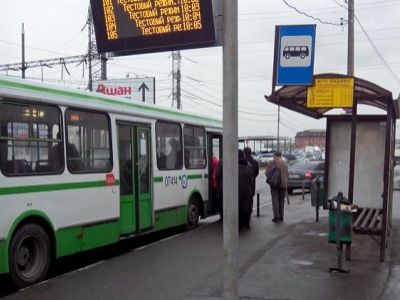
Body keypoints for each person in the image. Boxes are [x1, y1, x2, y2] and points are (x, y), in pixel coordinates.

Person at [266, 150, 288, 222]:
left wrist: (270, 178)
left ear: (275, 155)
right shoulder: (284, 162)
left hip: (275, 183)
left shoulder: (272, 162)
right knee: (281, 200)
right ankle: (281, 215)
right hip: (283, 183)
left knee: (275, 199)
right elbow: (286, 173)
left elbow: (267, 172)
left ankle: (276, 216)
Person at [238, 149, 254, 231]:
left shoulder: (233, 169)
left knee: (239, 208)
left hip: (237, 192)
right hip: (247, 191)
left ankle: (240, 225)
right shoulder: (249, 169)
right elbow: (251, 181)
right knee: (247, 208)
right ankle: (246, 224)